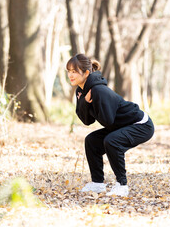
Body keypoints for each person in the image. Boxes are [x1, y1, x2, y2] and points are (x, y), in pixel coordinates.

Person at [66, 53, 154, 197]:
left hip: (141, 124)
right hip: (120, 125)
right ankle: (97, 184)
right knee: (91, 141)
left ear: (86, 72)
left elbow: (108, 121)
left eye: (74, 71)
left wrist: (89, 102)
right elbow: (87, 121)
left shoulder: (99, 91)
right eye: (69, 71)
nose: (71, 75)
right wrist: (84, 102)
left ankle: (122, 185)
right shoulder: (81, 92)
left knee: (112, 141)